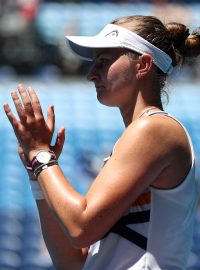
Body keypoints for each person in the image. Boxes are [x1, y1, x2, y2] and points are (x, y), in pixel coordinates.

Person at [3, 15, 200, 269]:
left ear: (143, 65)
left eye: (103, 62)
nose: (91, 75)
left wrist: (42, 155)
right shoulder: (140, 138)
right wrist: (37, 174)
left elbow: (79, 226)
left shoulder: (155, 129)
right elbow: (73, 262)